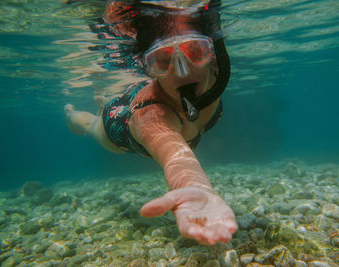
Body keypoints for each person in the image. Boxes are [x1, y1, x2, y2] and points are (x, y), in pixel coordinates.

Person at [64, 0, 237, 245]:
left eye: (195, 51)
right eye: (162, 60)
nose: (183, 71)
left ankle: (104, 98)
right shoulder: (151, 117)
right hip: (120, 122)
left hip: (145, 93)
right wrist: (196, 186)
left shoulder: (218, 71)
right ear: (148, 67)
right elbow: (172, 153)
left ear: (213, 53)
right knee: (92, 125)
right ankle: (72, 113)